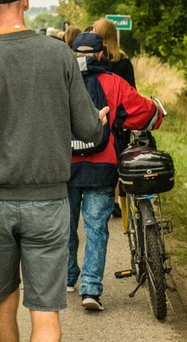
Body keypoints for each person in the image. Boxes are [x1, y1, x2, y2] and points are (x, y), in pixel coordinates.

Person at [0, 0, 109, 342]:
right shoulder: (59, 55)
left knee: (5, 300)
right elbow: (88, 130)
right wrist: (97, 120)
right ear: (26, 2)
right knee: (45, 309)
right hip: (49, 201)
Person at [67, 32, 164, 311]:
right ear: (101, 54)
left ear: (72, 53)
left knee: (66, 227)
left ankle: (69, 276)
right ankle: (91, 289)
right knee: (97, 228)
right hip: (102, 164)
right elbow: (141, 112)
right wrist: (158, 110)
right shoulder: (113, 82)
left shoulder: (61, 81)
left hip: (66, 166)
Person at [93, 17, 137, 217]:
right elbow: (132, 91)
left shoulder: (95, 61)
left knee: (102, 153)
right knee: (120, 155)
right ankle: (120, 199)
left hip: (100, 115)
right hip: (119, 117)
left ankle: (107, 197)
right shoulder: (124, 61)